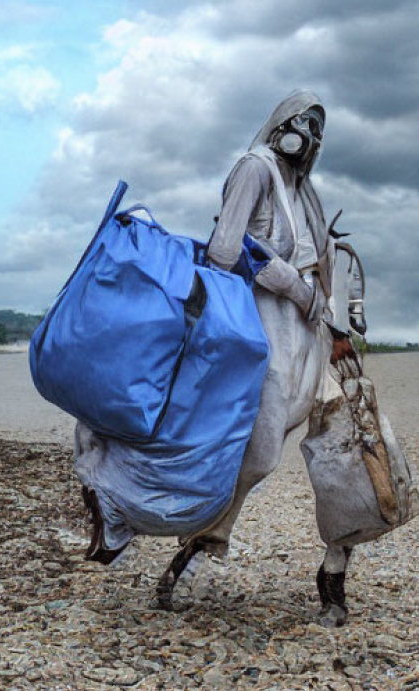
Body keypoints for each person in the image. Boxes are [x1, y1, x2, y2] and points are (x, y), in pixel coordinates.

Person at [156, 89, 364, 626]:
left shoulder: (307, 194)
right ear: (281, 124)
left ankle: (334, 571)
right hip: (262, 330)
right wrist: (295, 288)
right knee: (259, 454)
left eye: (320, 127)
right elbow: (227, 251)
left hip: (312, 337)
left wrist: (336, 328)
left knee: (345, 441)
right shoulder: (255, 169)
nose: (311, 137)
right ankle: (199, 546)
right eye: (304, 122)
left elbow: (324, 265)